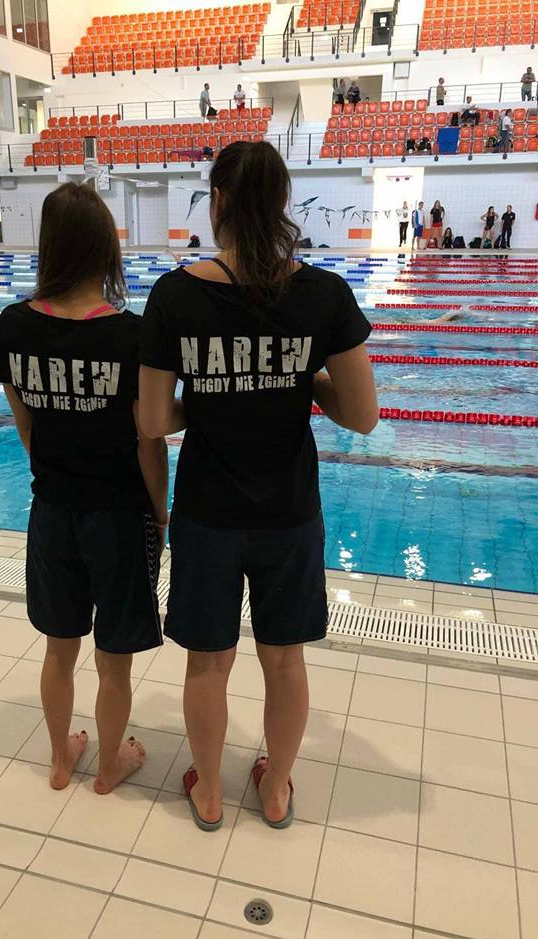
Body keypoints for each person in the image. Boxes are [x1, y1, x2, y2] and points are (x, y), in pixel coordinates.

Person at [139, 141, 378, 831]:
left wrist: (210, 397)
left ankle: (210, 793)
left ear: (216, 201)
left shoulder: (176, 295)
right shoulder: (324, 294)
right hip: (289, 513)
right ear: (281, 204)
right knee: (284, 661)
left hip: (207, 511)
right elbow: (363, 415)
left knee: (208, 663)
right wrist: (301, 382)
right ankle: (275, 792)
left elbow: (152, 420)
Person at [0, 183, 166, 795]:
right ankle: (109, 767)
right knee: (114, 661)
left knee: (58, 650)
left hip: (52, 511)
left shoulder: (14, 325)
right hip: (119, 517)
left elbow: (26, 426)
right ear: (104, 248)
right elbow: (149, 442)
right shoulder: (130, 335)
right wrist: (161, 512)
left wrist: (60, 472)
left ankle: (61, 760)